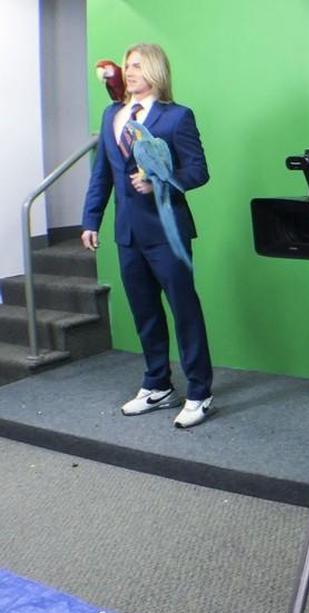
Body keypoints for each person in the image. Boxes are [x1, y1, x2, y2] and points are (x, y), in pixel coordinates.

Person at [81, 43, 215, 429]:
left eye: (137, 65)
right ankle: (158, 385)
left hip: (167, 232)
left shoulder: (177, 118)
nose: (130, 71)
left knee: (184, 310)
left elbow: (198, 171)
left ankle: (199, 392)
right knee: (145, 313)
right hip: (127, 234)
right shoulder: (111, 115)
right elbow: (101, 176)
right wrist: (90, 220)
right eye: (127, 65)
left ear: (154, 69)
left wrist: (161, 181)